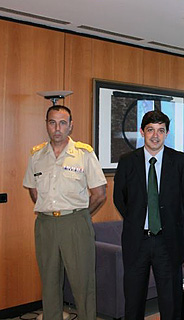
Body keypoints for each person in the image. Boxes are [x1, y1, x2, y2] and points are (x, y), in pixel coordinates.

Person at [23, 105, 107, 320]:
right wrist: (51, 209)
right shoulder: (36, 155)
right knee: (49, 282)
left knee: (83, 283)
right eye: (52, 122)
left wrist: (79, 215)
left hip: (76, 223)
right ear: (46, 125)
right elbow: (33, 191)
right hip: (45, 224)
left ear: (71, 126)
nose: (57, 128)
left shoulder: (84, 154)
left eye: (62, 123)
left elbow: (99, 194)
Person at [113, 110, 184, 320]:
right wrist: (137, 221)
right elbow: (119, 199)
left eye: (160, 130)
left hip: (168, 242)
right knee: (133, 301)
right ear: (142, 132)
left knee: (171, 302)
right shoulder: (127, 161)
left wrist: (168, 219)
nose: (155, 135)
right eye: (150, 130)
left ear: (167, 133)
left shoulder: (180, 161)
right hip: (137, 240)